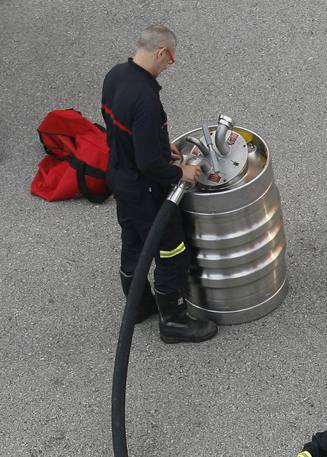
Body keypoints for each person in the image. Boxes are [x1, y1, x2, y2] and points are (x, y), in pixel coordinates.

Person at [100, 24, 216, 343]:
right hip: (146, 189)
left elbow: (119, 128)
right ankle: (174, 321)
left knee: (135, 241)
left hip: (120, 180)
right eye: (170, 60)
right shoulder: (146, 97)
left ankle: (137, 307)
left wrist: (157, 143)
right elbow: (149, 164)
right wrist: (181, 174)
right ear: (161, 52)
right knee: (172, 249)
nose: (169, 66)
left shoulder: (116, 76)